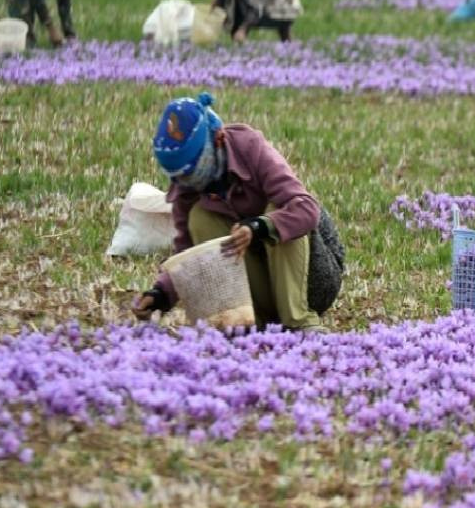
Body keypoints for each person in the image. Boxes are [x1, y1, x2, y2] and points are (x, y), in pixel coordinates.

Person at [132, 93, 343, 331]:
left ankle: (300, 323)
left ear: (218, 139)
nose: (186, 181)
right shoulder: (188, 187)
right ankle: (257, 324)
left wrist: (259, 227)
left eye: (191, 170)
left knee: (280, 208)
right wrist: (160, 294)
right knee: (200, 218)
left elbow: (306, 209)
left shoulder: (250, 147)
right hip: (262, 286)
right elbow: (189, 255)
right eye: (178, 176)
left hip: (310, 279)